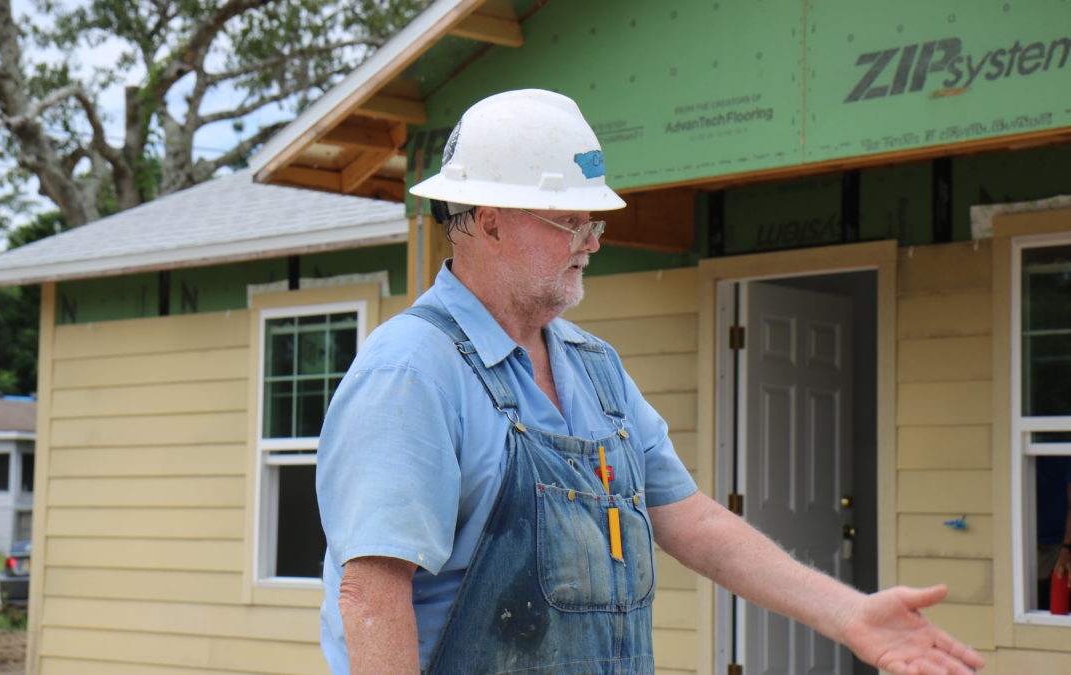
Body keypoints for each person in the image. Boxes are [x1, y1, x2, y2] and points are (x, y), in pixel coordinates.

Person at [315, 89, 986, 674]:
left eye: (593, 220)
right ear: (490, 222)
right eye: (569, 220)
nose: (592, 240)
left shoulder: (593, 365)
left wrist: (850, 613)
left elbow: (690, 519)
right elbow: (371, 594)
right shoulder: (412, 368)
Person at [1036, 455, 1071, 610]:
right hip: (1032, 537)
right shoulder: (1034, 460)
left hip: (1060, 539)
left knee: (1058, 591)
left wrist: (1067, 546)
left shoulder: (1064, 458)